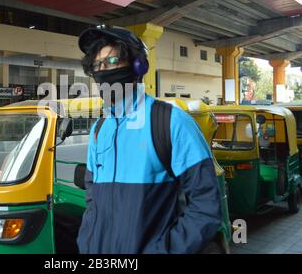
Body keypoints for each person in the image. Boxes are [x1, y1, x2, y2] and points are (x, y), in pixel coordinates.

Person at [76, 27, 222, 254]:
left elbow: (205, 207)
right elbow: (92, 197)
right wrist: (87, 243)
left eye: (112, 60)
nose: (102, 71)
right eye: (97, 65)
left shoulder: (171, 122)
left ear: (138, 66)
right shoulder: (99, 129)